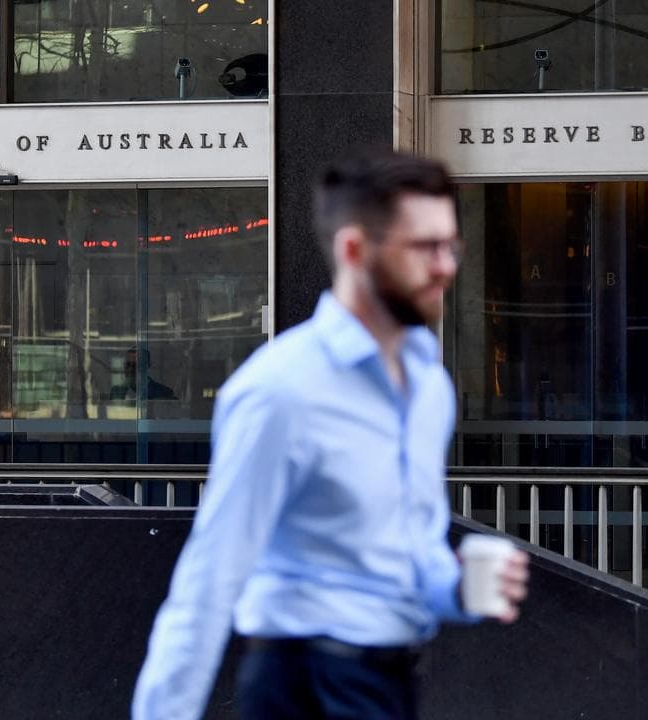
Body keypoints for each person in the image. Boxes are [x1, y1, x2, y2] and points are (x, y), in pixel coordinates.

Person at [131, 148, 529, 720]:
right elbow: (209, 578)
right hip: (304, 686)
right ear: (353, 249)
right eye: (423, 247)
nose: (445, 266)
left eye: (450, 245)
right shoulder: (280, 391)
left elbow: (408, 554)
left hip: (391, 681)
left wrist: (460, 587)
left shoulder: (426, 384)